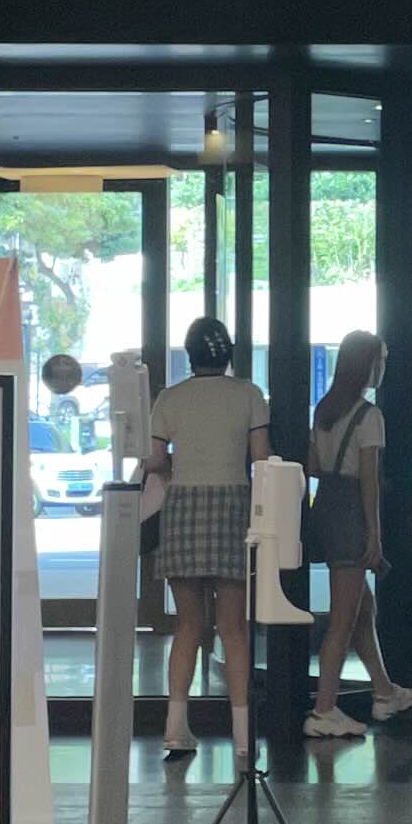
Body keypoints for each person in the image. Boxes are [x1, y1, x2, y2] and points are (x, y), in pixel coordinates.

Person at [150, 316, 270, 765]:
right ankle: (242, 736)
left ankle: (175, 729)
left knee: (187, 626)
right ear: (229, 353)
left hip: (182, 507)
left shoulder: (169, 398)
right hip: (233, 507)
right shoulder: (249, 395)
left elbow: (154, 460)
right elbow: (261, 459)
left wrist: (179, 468)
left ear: (190, 354)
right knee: (233, 628)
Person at [302, 329, 412, 739]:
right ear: (366, 366)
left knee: (362, 609)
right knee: (343, 620)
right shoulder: (370, 416)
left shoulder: (324, 410)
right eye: (380, 360)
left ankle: (384, 692)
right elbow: (368, 479)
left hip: (325, 508)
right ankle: (324, 710)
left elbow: (314, 466)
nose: (383, 367)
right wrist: (375, 533)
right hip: (352, 512)